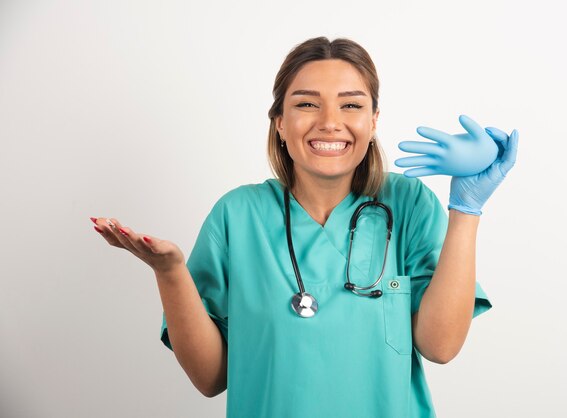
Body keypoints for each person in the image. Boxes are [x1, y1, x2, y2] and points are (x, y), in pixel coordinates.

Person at [91, 36, 518, 418]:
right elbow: (209, 378)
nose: (329, 121)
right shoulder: (237, 216)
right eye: (306, 103)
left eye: (351, 104)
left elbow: (441, 346)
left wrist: (466, 210)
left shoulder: (408, 205)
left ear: (373, 122)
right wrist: (169, 273)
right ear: (279, 121)